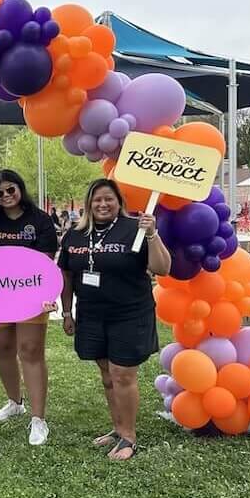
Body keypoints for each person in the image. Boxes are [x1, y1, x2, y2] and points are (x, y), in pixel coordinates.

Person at [58, 178, 171, 460]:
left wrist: (152, 234)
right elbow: (67, 275)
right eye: (97, 199)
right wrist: (67, 311)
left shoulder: (135, 229)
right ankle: (118, 429)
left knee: (123, 374)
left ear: (119, 202)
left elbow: (162, 268)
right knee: (107, 375)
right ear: (88, 204)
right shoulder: (76, 235)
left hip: (130, 313)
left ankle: (129, 437)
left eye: (109, 199)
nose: (103, 204)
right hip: (92, 314)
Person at [0, 170, 58, 445]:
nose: (6, 196)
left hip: (31, 294)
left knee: (30, 351)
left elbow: (45, 261)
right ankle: (15, 402)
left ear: (20, 188)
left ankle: (38, 420)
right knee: (3, 347)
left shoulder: (39, 220)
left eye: (10, 190)